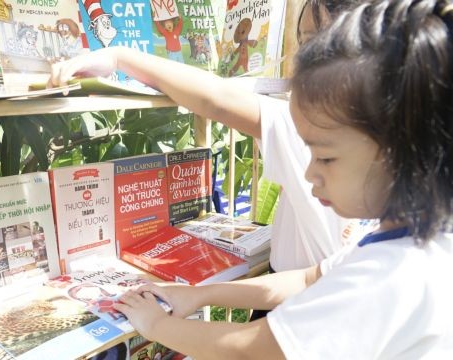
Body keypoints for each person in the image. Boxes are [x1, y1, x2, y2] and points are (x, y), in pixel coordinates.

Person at [110, 0, 453, 357]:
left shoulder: (387, 275)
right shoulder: (406, 242)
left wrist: (157, 325)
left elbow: (252, 350)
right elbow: (306, 278)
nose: (309, 172)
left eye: (326, 157)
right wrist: (199, 294)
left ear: (401, 151)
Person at [49, 0, 370, 278]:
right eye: (304, 44)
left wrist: (119, 58)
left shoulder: (303, 126)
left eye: (318, 44)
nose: (303, 62)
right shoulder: (381, 144)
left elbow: (216, 98)